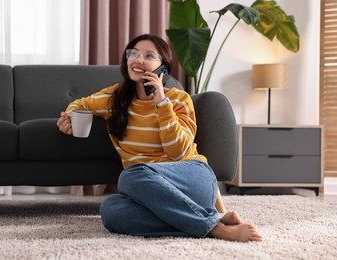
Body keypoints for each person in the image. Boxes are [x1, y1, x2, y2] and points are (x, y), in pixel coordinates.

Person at [57, 34, 262, 242]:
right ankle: (210, 221)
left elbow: (179, 152)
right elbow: (80, 105)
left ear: (163, 66)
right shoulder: (114, 98)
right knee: (110, 209)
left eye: (148, 55)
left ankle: (218, 230)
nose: (138, 60)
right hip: (149, 190)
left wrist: (162, 104)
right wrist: (70, 118)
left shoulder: (179, 99)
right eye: (133, 53)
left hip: (191, 177)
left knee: (129, 177)